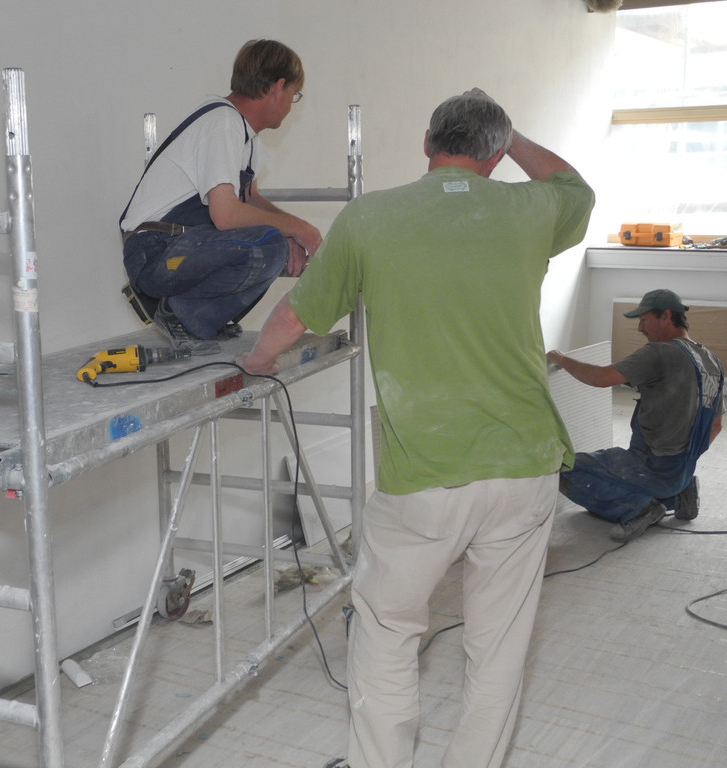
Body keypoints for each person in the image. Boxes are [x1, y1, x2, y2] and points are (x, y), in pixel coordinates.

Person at [238, 88, 594, 768]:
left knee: (386, 628)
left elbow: (293, 318)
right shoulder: (531, 209)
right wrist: (512, 135)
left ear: (427, 142)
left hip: (424, 478)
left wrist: (257, 361)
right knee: (498, 649)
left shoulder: (371, 217)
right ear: (495, 156)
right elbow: (574, 185)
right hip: (524, 467)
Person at [119, 39, 323, 355]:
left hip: (183, 246)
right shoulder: (222, 123)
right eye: (294, 94)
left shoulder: (245, 136)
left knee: (275, 241)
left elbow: (250, 200)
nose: (291, 104)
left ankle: (197, 317)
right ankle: (182, 315)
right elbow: (226, 215)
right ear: (277, 88)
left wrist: (291, 231)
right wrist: (297, 227)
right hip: (154, 252)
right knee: (269, 244)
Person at [546, 288, 725, 542]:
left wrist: (561, 359)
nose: (640, 328)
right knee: (636, 474)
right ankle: (679, 494)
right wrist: (681, 463)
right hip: (682, 469)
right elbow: (716, 426)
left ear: (666, 316)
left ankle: (639, 509)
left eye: (644, 319)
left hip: (650, 465)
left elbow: (600, 378)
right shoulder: (711, 361)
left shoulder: (659, 353)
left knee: (565, 468)